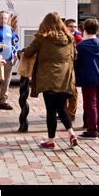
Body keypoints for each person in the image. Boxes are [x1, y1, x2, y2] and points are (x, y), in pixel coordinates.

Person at [24, 12, 78, 149]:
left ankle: (50, 140)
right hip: (65, 78)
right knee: (62, 107)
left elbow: (28, 52)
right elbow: (75, 56)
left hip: (48, 78)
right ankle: (71, 134)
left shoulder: (43, 38)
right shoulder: (69, 38)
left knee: (51, 111)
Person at [74, 18, 99, 140]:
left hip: (88, 77)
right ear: (97, 29)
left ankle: (92, 131)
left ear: (84, 30)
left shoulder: (81, 46)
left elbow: (77, 63)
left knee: (90, 104)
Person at [0, 11, 18, 110]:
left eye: (5, 18)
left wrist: (15, 53)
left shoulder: (10, 29)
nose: (4, 20)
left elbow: (14, 43)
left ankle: (4, 101)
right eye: (2, 18)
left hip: (8, 59)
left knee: (6, 81)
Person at [64, 18, 84, 122]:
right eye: (71, 26)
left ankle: (71, 114)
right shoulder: (62, 37)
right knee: (63, 92)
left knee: (73, 93)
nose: (73, 28)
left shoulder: (78, 38)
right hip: (64, 69)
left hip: (73, 69)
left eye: (75, 26)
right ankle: (64, 111)